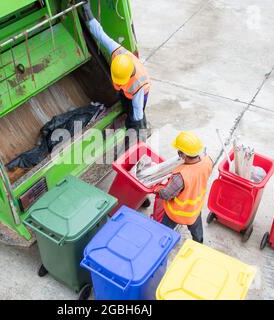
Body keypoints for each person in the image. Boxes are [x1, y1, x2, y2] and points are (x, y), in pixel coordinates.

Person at [82, 1, 151, 134]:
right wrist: (86, 11)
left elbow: (138, 115)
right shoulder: (117, 53)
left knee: (134, 116)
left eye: (120, 81)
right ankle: (125, 112)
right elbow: (100, 34)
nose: (117, 83)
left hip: (141, 93)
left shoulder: (137, 87)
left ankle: (133, 134)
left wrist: (137, 131)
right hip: (127, 91)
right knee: (125, 102)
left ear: (129, 76)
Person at [155, 131, 213, 243]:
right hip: (195, 210)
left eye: (179, 152)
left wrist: (157, 190)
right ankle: (199, 243)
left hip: (176, 213)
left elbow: (166, 194)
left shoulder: (181, 176)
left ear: (184, 155)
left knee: (163, 232)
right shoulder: (207, 161)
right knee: (197, 231)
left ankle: (161, 246)